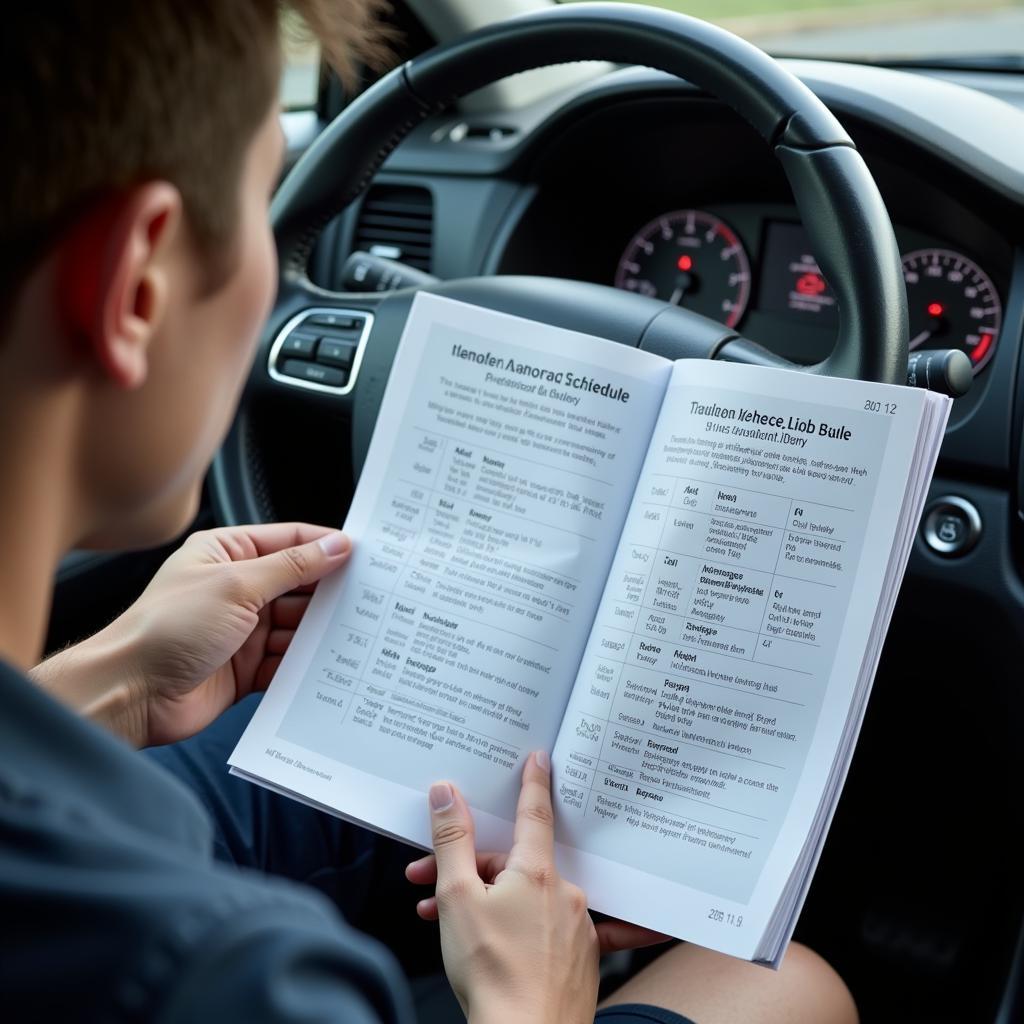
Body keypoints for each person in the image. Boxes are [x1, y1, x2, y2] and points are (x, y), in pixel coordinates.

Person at [0, 2, 859, 1022]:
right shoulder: (230, 977)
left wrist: (110, 687)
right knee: (785, 985)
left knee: (411, 800)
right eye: (261, 197)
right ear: (136, 286)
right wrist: (531, 1005)